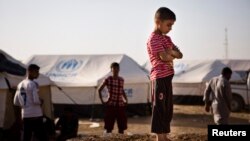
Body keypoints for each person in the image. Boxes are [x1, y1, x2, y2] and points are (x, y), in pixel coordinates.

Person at [147, 7, 183, 141]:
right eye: (168, 25)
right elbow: (163, 57)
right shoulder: (153, 39)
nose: (170, 28)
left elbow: (180, 54)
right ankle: (159, 137)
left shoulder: (167, 39)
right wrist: (171, 53)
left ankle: (165, 134)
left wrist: (171, 53)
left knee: (168, 108)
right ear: (158, 22)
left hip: (168, 77)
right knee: (159, 107)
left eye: (172, 25)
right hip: (159, 77)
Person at [13, 64, 48, 141]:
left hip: (25, 115)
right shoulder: (32, 84)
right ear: (30, 72)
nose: (38, 74)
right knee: (43, 137)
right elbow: (36, 100)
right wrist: (41, 101)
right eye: (36, 71)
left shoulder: (20, 84)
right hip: (35, 115)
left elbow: (16, 101)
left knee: (27, 137)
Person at [98, 62, 128, 134]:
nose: (115, 70)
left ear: (119, 69)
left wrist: (126, 100)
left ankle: (121, 138)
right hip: (111, 105)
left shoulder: (121, 80)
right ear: (111, 70)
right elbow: (99, 89)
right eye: (114, 68)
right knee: (109, 126)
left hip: (120, 105)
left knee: (122, 126)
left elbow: (122, 90)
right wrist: (102, 101)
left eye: (117, 68)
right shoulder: (108, 79)